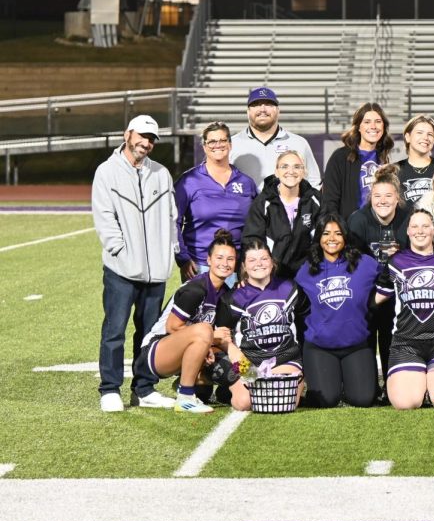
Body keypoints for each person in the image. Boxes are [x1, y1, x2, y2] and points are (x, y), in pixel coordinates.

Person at [92, 114, 177, 412]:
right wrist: (120, 251)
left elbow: (171, 217)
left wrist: (169, 252)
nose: (147, 142)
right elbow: (104, 217)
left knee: (149, 333)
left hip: (156, 271)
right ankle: (110, 388)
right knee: (115, 329)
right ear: (127, 134)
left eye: (152, 138)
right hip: (121, 269)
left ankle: (144, 388)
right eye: (142, 136)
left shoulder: (161, 174)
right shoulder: (106, 172)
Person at [134, 229, 242, 414]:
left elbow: (223, 338)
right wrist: (210, 338)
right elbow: (172, 327)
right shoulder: (196, 289)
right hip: (155, 352)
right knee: (205, 330)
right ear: (208, 260)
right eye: (219, 258)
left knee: (229, 364)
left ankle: (185, 383)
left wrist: (244, 366)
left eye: (230, 259)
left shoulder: (225, 294)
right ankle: (185, 398)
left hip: (188, 347)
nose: (225, 263)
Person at [375, 209, 434, 410]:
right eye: (415, 226)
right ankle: (421, 385)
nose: (421, 231)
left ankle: (431, 384)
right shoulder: (396, 262)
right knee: (405, 403)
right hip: (406, 344)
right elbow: (377, 297)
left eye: (426, 226)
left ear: (433, 229)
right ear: (408, 231)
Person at [292, 214, 381, 408]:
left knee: (363, 399)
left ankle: (349, 381)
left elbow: (389, 280)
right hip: (320, 346)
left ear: (345, 237)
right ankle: (332, 381)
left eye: (338, 233)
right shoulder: (307, 269)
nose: (332, 238)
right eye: (326, 233)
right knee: (327, 400)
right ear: (319, 237)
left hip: (356, 344)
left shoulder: (365, 263)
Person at [216, 236, 307, 412]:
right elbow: (222, 336)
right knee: (245, 403)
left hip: (285, 357)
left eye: (264, 258)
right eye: (252, 260)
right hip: (249, 361)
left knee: (283, 401)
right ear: (243, 266)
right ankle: (229, 390)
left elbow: (306, 322)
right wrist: (236, 356)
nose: (259, 264)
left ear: (272, 262)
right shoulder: (232, 298)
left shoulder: (290, 289)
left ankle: (299, 381)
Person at [347, 163, 412, 395]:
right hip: (367, 291)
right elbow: (352, 264)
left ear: (397, 199)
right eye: (377, 196)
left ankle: (391, 384)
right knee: (365, 337)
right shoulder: (358, 220)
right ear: (370, 198)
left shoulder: (409, 217)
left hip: (399, 292)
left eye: (388, 196)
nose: (382, 201)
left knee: (390, 337)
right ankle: (367, 384)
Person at [175, 121, 258, 280]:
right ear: (204, 146)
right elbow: (173, 222)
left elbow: (257, 224)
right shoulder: (189, 181)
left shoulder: (246, 183)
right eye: (212, 141)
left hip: (238, 266)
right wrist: (183, 259)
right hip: (200, 265)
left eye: (222, 140)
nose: (217, 145)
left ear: (230, 144)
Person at [242, 150, 323, 280]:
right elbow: (251, 240)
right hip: (272, 276)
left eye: (297, 167)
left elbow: (323, 238)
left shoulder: (316, 200)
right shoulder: (263, 202)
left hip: (308, 275)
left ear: (304, 172)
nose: (291, 171)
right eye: (284, 166)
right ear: (276, 172)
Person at [230, 87, 322, 190]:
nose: (263, 109)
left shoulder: (299, 143)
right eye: (256, 104)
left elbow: (314, 182)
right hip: (246, 206)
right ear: (248, 112)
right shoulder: (232, 144)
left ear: (278, 111)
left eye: (269, 104)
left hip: (288, 206)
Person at [322, 102, 395, 219]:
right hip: (350, 230)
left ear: (383, 126)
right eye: (367, 122)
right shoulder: (340, 157)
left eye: (378, 121)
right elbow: (330, 201)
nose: (373, 126)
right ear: (358, 127)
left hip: (378, 228)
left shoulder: (383, 158)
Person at [396, 114, 434, 206]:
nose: (425, 138)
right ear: (407, 137)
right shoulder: (394, 170)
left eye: (430, 134)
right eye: (419, 133)